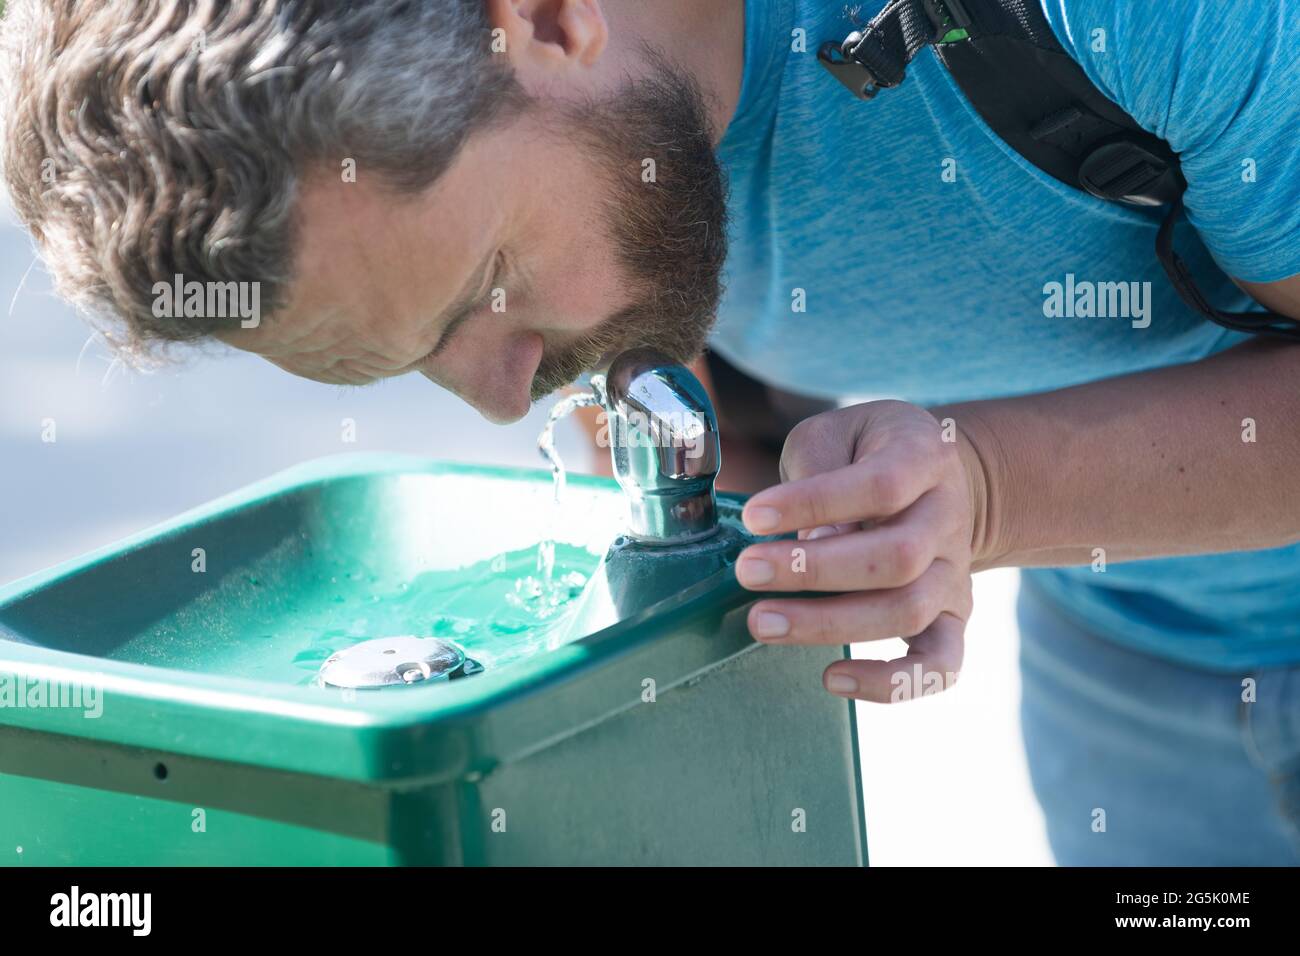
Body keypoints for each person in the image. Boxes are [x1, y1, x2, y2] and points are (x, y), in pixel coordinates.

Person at [2, 0, 1298, 865]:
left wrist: (995, 491)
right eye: (416, 360)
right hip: (1140, 665)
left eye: (481, 295)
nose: (509, 401)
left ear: (552, 21)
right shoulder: (600, 131)